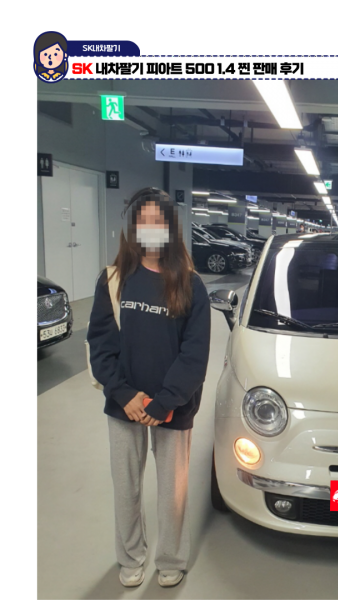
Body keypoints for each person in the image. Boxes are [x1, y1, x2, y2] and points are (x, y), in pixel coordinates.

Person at [87, 188, 211, 589]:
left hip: (173, 407)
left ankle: (171, 558)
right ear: (133, 228)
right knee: (126, 489)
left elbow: (195, 354)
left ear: (171, 228)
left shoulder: (191, 285)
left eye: (159, 221)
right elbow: (101, 345)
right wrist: (124, 394)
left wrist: (164, 402)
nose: (151, 229)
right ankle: (130, 557)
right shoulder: (114, 281)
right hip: (124, 404)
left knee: (172, 492)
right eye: (144, 221)